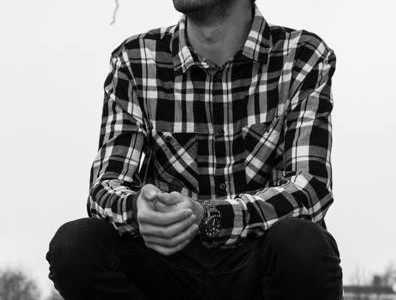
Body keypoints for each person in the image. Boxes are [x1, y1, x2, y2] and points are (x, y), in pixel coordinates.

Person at [45, 0, 341, 299]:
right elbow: (105, 187)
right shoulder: (135, 59)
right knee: (76, 245)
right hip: (166, 267)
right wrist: (137, 210)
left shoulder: (302, 55)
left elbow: (309, 189)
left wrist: (209, 216)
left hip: (259, 267)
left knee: (303, 244)